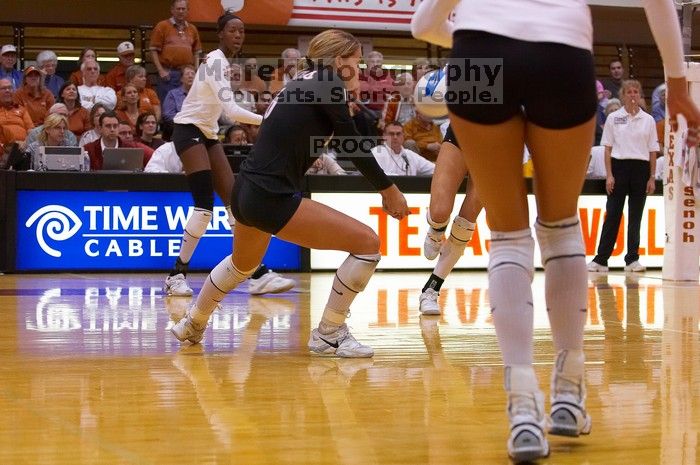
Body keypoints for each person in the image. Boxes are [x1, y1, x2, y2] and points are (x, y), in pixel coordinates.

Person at [412, 0, 700, 463]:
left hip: (478, 56)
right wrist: (679, 83)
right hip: (559, 51)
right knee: (561, 228)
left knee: (507, 236)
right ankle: (568, 392)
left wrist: (478, 38)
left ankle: (522, 409)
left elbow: (422, 23)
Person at [171, 28, 410, 358]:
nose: (362, 70)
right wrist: (390, 189)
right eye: (357, 61)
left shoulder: (302, 83)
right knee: (368, 244)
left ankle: (192, 322)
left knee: (242, 265)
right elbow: (353, 145)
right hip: (271, 194)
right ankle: (329, 333)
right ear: (339, 61)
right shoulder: (327, 82)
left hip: (246, 192)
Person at [165, 12, 293, 297]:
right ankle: (176, 275)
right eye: (233, 30)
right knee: (203, 208)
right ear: (220, 33)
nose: (238, 35)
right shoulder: (213, 61)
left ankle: (256, 273)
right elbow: (232, 111)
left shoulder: (224, 64)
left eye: (242, 31)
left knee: (237, 206)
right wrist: (269, 120)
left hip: (208, 135)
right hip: (188, 130)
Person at [588, 80, 659, 273]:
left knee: (636, 216)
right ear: (623, 95)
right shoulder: (613, 118)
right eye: (629, 92)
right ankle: (601, 260)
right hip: (619, 168)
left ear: (640, 95)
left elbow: (653, 151)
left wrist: (652, 177)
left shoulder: (648, 120)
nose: (633, 95)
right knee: (612, 214)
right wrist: (609, 175)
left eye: (636, 91)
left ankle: (632, 260)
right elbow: (608, 148)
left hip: (641, 169)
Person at [419, 125, 482, 315]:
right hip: (464, 130)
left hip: (500, 142)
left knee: (466, 222)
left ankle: (431, 289)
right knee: (439, 212)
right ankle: (436, 230)